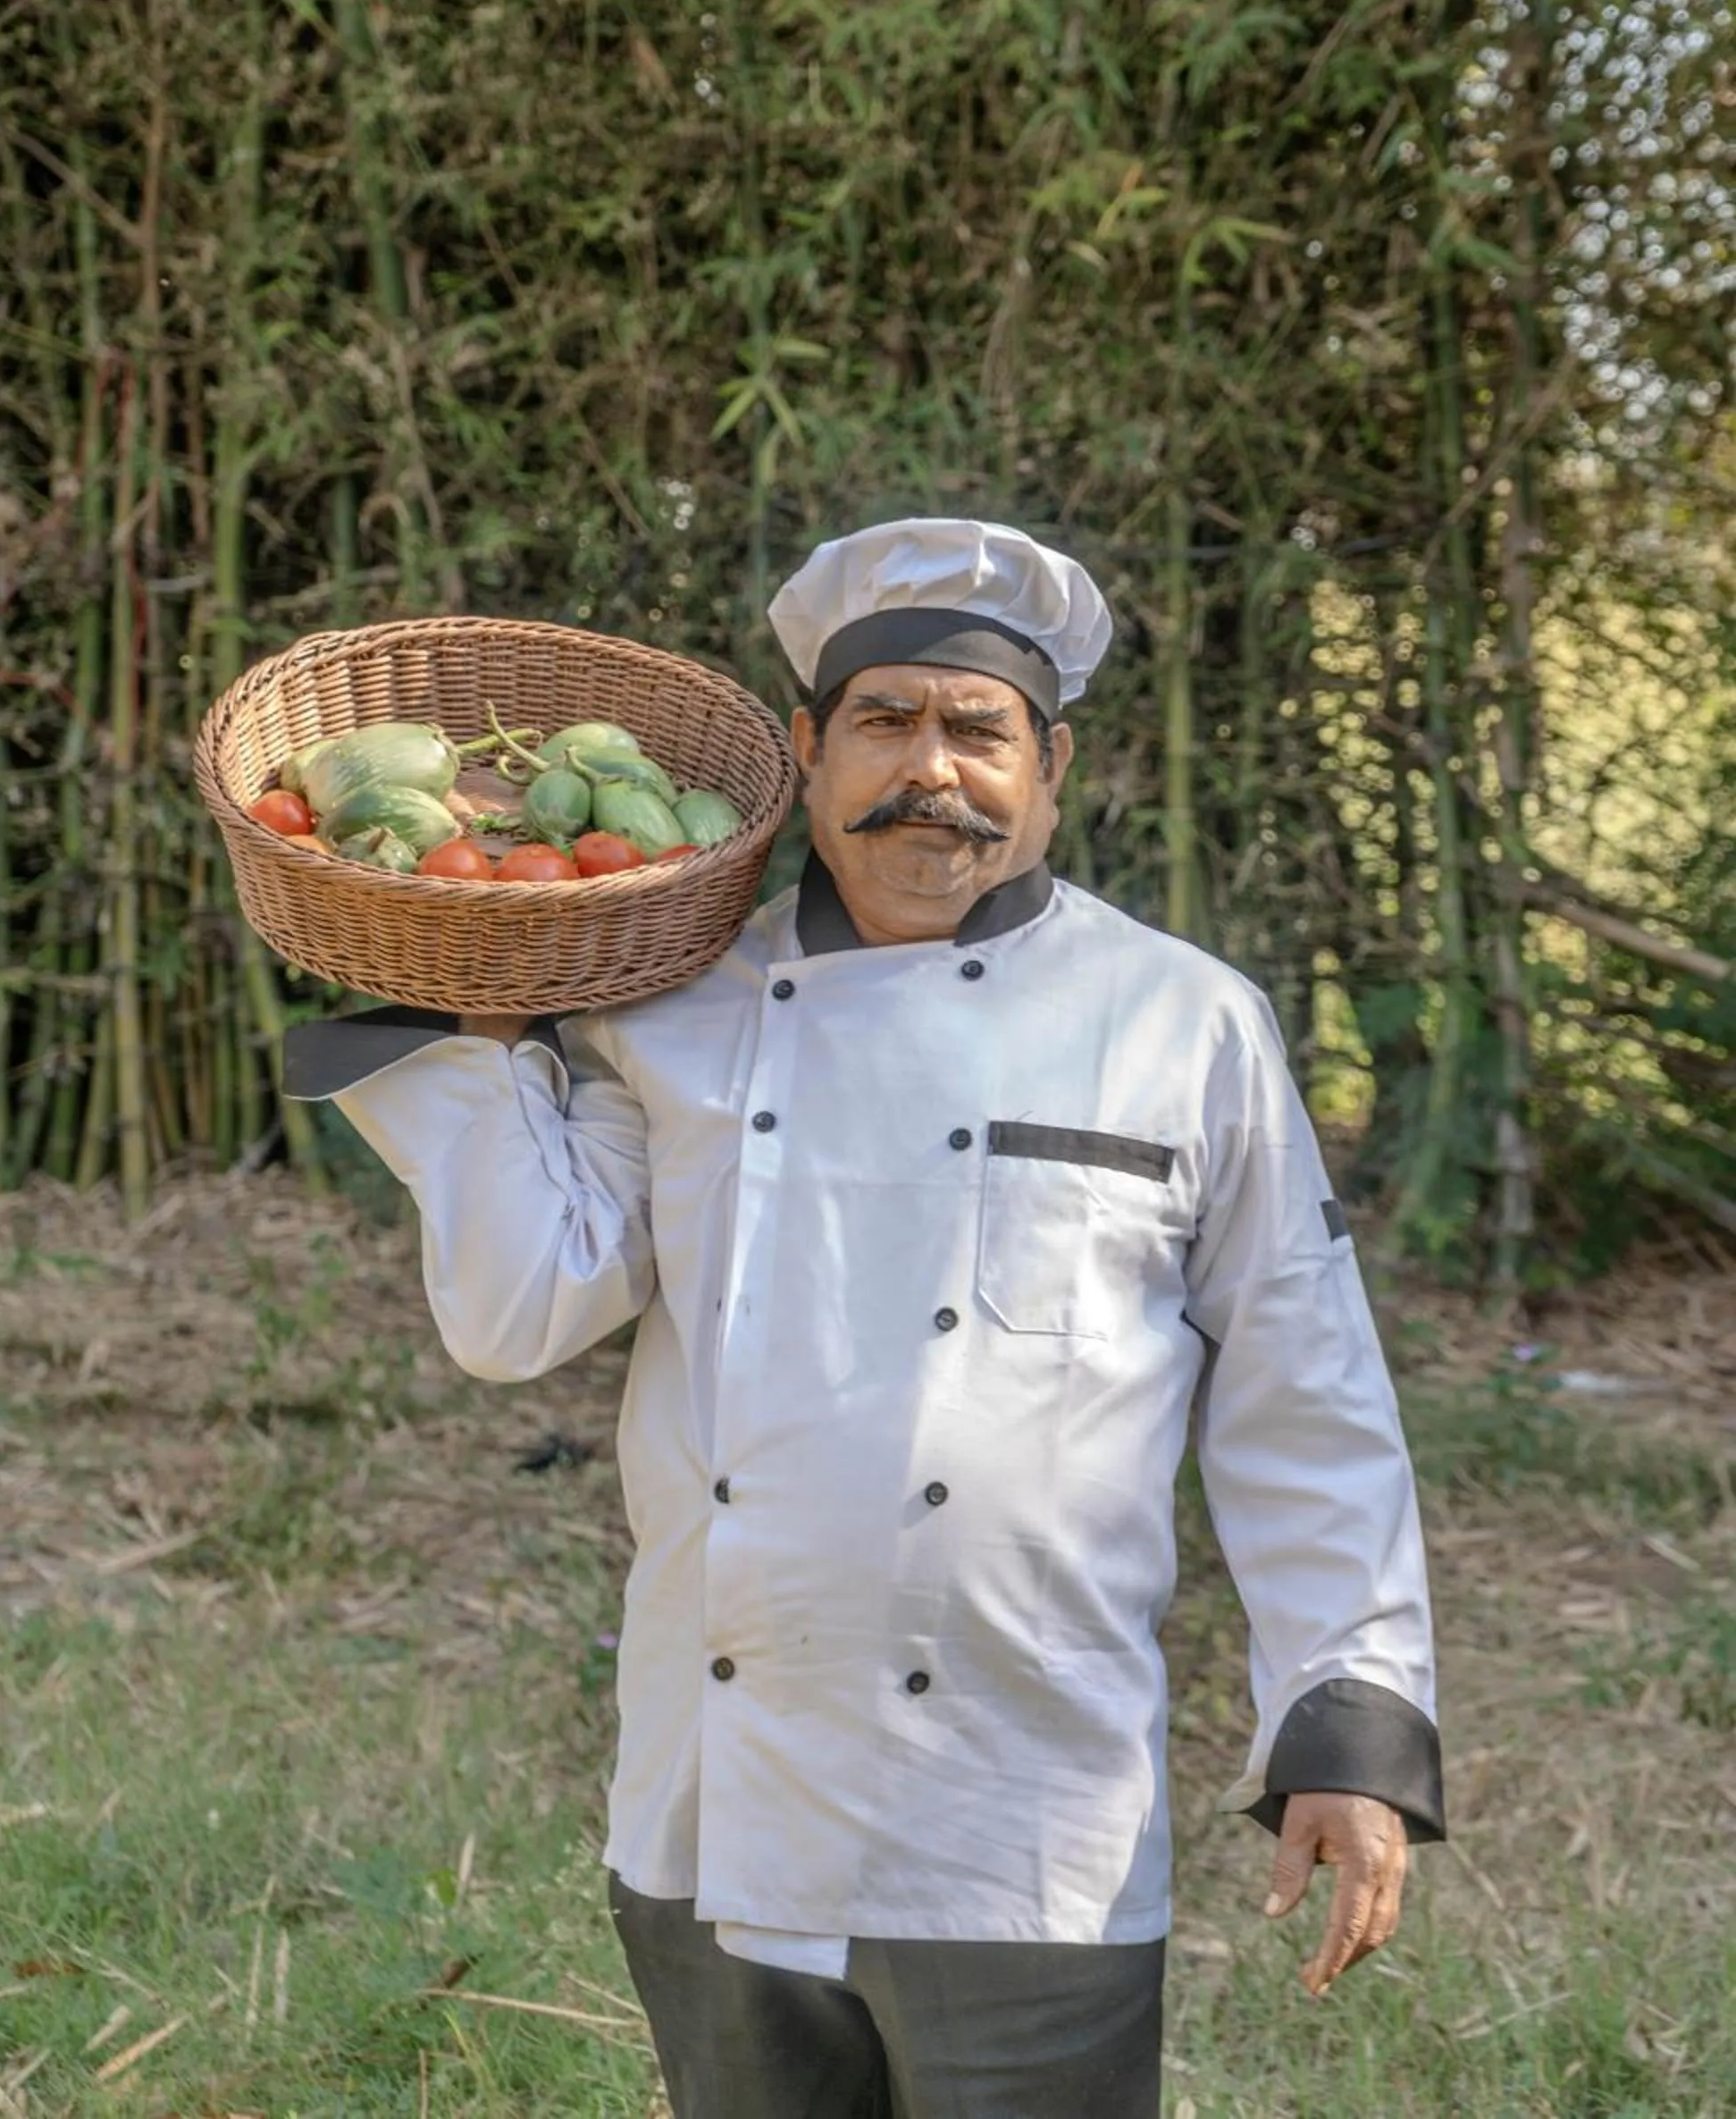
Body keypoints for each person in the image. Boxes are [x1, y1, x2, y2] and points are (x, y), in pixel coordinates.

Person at [285, 517, 1443, 2119]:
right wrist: (482, 1018)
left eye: (979, 729)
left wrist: (1347, 1717)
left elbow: (1302, 1384)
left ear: (1052, 767)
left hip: (1024, 1805)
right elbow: (519, 1312)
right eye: (885, 720)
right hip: (719, 1796)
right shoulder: (674, 1006)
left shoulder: (1182, 1023)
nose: (931, 769)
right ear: (806, 752)